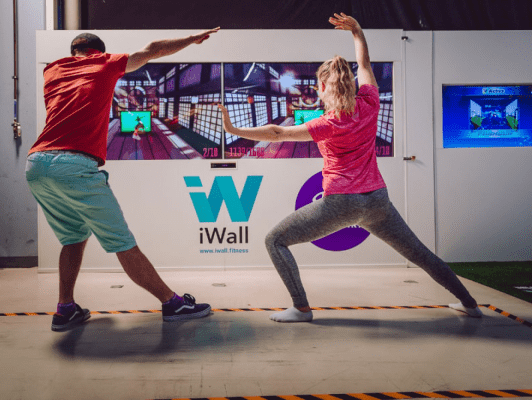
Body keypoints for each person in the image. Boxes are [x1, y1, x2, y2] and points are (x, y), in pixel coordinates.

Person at [218, 13, 482, 322]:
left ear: (320, 87)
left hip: (342, 202)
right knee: (419, 254)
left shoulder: (328, 123)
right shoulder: (369, 102)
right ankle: (470, 304)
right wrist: (356, 31)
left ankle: (301, 308)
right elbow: (366, 65)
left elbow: (278, 133)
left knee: (274, 240)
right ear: (351, 82)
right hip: (378, 202)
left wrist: (234, 130)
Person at [27, 28, 219, 331]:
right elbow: (153, 49)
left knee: (73, 238)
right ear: (98, 51)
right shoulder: (104, 62)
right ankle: (173, 303)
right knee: (121, 242)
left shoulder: (53, 69)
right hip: (75, 165)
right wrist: (191, 39)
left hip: (37, 165)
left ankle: (65, 309)